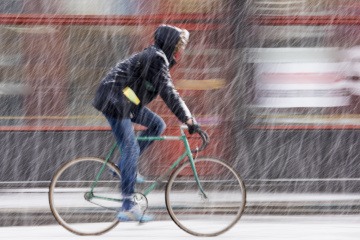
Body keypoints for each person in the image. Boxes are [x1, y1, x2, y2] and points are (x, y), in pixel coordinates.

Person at [93, 25, 201, 222]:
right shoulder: (157, 58)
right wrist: (187, 117)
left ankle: (122, 166)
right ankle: (127, 205)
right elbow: (168, 92)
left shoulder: (158, 58)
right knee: (131, 149)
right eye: (180, 45)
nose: (181, 50)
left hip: (124, 101)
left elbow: (164, 89)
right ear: (172, 44)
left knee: (157, 125)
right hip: (114, 100)